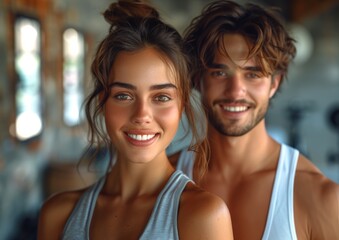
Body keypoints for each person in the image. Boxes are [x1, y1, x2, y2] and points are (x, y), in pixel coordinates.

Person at [37, 1, 233, 239]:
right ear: (103, 101)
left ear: (181, 104)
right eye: (124, 95)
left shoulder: (202, 216)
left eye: (161, 97)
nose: (142, 115)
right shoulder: (58, 215)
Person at [170, 1, 339, 239]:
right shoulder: (164, 180)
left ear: (274, 84)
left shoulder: (320, 197)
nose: (236, 90)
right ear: (198, 79)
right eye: (219, 73)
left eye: (253, 74)